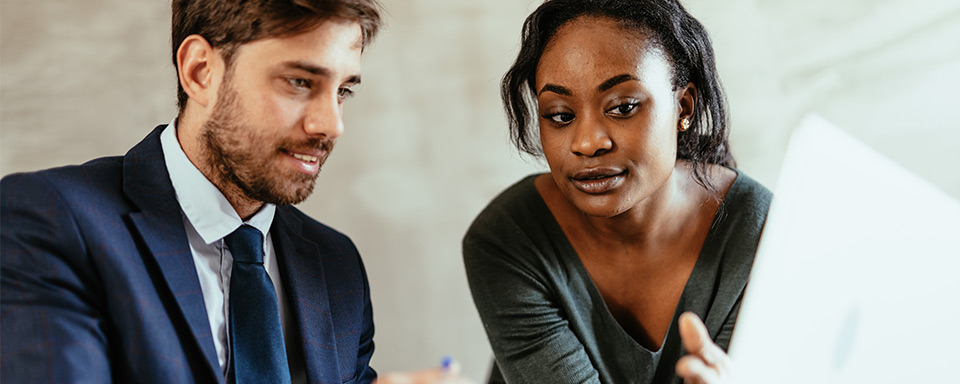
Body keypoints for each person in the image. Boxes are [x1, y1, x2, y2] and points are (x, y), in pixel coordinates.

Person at [0, 1, 391, 383]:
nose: (331, 125)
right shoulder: (49, 221)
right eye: (300, 82)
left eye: (342, 91)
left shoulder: (337, 265)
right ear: (200, 71)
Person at [462, 0, 772, 383]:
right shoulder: (508, 239)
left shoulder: (765, 236)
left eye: (623, 107)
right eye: (560, 115)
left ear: (683, 107)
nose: (587, 143)